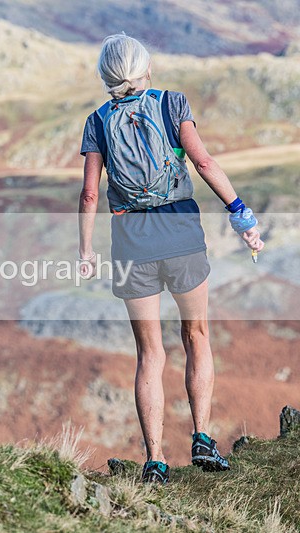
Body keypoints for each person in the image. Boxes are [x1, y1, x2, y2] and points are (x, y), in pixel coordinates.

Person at [77, 34, 264, 483]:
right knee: (197, 335)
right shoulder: (172, 103)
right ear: (146, 65)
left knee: (150, 354)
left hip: (130, 245)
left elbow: (88, 193)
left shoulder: (97, 121)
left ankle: (155, 461)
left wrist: (85, 250)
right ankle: (202, 438)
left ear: (105, 74)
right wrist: (242, 216)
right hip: (181, 234)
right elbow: (202, 162)